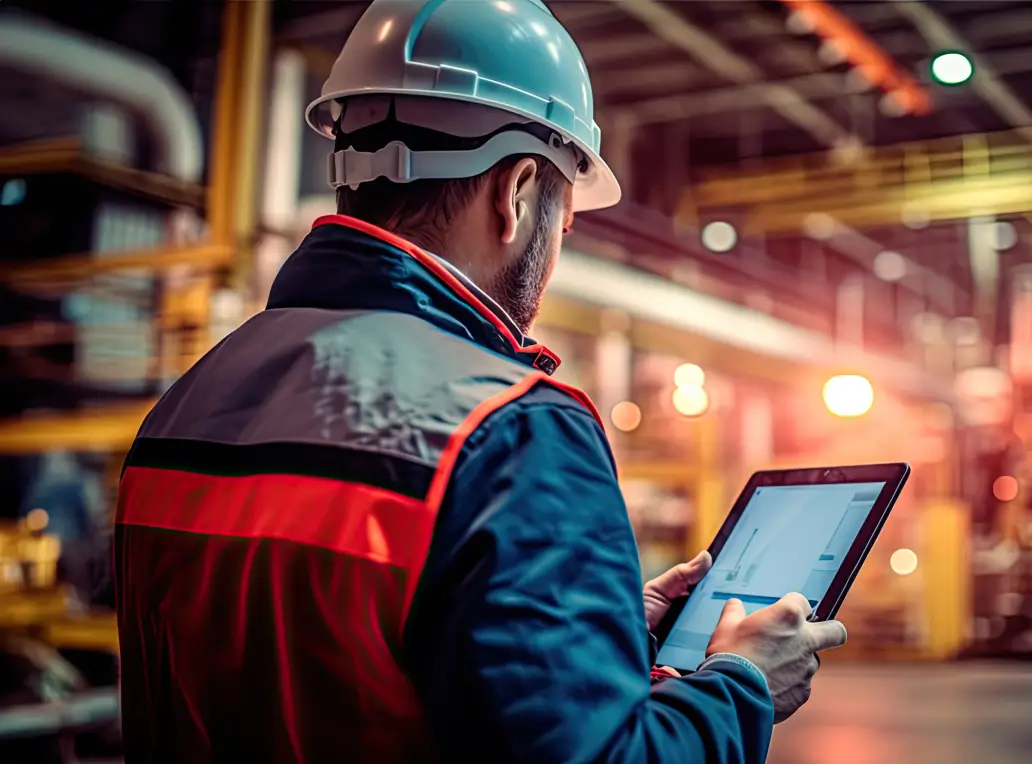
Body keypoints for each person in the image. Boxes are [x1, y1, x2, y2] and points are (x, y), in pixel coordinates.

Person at [111, 1, 845, 761]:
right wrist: (739, 684)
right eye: (563, 221)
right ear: (518, 191)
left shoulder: (185, 401)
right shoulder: (509, 430)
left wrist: (604, 627)